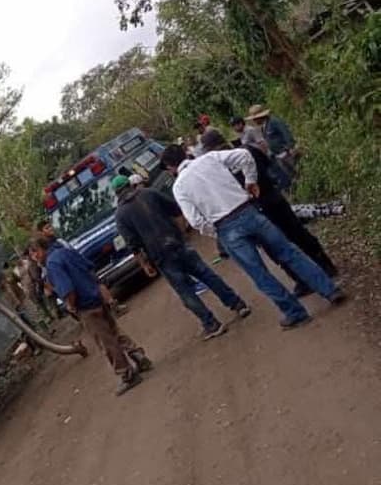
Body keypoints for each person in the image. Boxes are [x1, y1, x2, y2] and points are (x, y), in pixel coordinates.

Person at [161, 144, 346, 330]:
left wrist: (216, 232)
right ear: (185, 154)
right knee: (290, 253)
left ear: (170, 167)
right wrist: (251, 181)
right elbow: (244, 155)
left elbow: (195, 220)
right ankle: (330, 290)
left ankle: (295, 313)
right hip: (248, 211)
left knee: (260, 274)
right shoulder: (210, 158)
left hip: (226, 227)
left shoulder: (179, 187)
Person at [112, 174, 251, 340]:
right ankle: (237, 304)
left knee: (185, 291)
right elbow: (177, 211)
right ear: (130, 184)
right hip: (177, 243)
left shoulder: (121, 215)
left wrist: (145, 265)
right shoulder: (149, 194)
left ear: (117, 193)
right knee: (206, 274)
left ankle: (212, 324)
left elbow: (133, 245)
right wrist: (182, 233)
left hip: (160, 255)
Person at [201, 129, 338, 296]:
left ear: (212, 149)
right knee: (295, 235)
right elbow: (267, 164)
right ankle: (322, 268)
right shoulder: (247, 151)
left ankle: (308, 277)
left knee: (279, 245)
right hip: (271, 199)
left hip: (258, 208)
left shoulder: (222, 166)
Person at [29, 236, 151, 395]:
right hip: (96, 297)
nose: (34, 257)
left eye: (34, 253)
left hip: (85, 306)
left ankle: (127, 374)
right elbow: (89, 269)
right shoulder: (66, 252)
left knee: (106, 342)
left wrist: (71, 305)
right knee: (114, 332)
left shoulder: (52, 264)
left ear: (40, 250)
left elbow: (67, 289)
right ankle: (138, 355)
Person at [36, 220, 128, 315]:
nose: (50, 229)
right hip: (72, 274)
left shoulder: (59, 241)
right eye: (47, 228)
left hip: (79, 267)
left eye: (50, 226)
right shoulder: (48, 251)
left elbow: (72, 252)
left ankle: (113, 305)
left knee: (97, 283)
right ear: (42, 233)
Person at [246, 104, 299, 188]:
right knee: (290, 173)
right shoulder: (264, 126)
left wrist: (290, 148)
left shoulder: (274, 122)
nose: (254, 121)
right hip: (278, 154)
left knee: (296, 171)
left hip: (285, 152)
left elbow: (286, 133)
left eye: (255, 119)